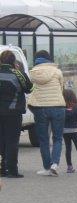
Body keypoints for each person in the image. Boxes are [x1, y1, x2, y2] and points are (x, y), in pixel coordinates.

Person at [28, 50, 66, 177]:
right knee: (57, 138)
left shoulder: (33, 73)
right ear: (49, 59)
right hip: (58, 107)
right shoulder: (57, 72)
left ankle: (46, 167)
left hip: (40, 108)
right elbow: (61, 88)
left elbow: (31, 89)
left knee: (43, 139)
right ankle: (54, 164)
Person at [0, 50, 32, 178]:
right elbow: (30, 88)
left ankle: (2, 168)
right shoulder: (18, 74)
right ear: (13, 61)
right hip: (13, 112)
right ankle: (12, 170)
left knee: (1, 140)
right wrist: (18, 70)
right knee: (12, 141)